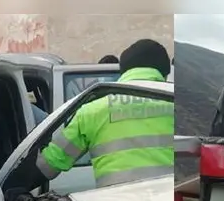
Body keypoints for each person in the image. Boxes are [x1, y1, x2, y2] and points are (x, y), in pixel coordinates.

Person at [32, 39, 173, 188]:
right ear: (164, 74)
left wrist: (15, 188)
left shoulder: (91, 112)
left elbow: (49, 165)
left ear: (123, 72)